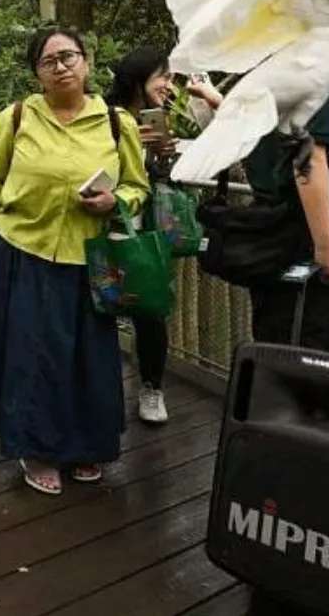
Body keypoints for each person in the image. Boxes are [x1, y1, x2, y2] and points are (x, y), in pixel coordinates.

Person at [0, 27, 151, 496]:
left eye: (69, 56)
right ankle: (36, 449)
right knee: (32, 355)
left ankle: (87, 446)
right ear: (37, 73)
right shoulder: (16, 118)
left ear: (87, 63)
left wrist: (116, 201)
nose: (61, 66)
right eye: (49, 60)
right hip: (24, 250)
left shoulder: (117, 123)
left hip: (90, 256)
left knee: (89, 357)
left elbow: (138, 188)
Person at [105, 48, 223, 423]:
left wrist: (160, 154)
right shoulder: (106, 118)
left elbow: (155, 178)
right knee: (102, 305)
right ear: (139, 77)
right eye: (164, 77)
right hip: (109, 226)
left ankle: (151, 388)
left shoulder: (157, 120)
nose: (169, 86)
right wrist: (132, 143)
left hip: (148, 230)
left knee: (151, 310)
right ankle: (102, 387)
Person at [243, 94, 329, 352]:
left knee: (274, 331)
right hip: (300, 230)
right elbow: (309, 159)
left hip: (265, 227)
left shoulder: (262, 80)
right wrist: (327, 247)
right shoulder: (315, 76)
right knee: (314, 335)